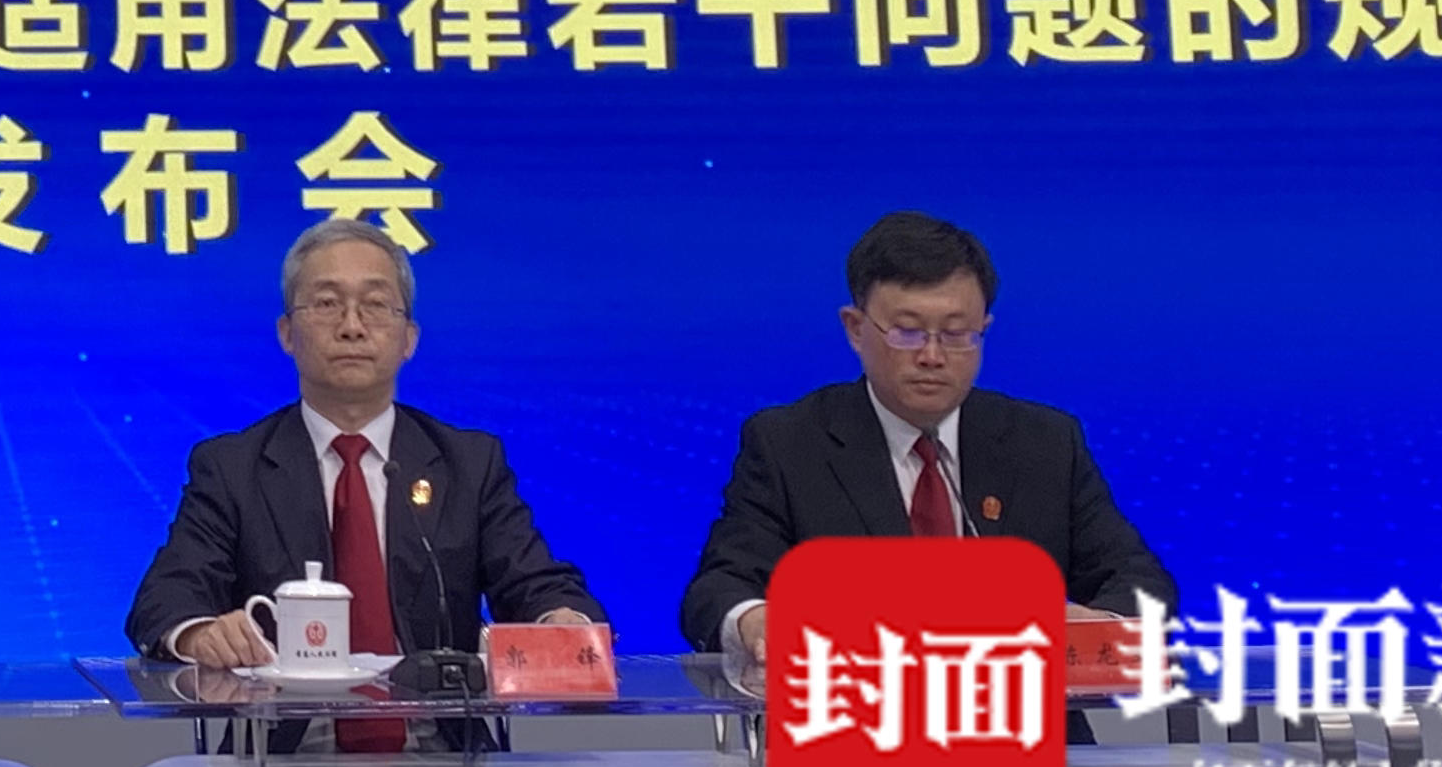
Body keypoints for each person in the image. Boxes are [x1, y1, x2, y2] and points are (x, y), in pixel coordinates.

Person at [681, 210, 1175, 677]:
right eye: (908, 332)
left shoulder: (1044, 443)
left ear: (984, 330)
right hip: (856, 723)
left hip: (1025, 724)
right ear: (855, 329)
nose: (933, 356)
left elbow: (1140, 582)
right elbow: (719, 588)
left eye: (957, 334)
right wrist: (755, 621)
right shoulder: (790, 444)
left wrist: (1097, 628)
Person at [124, 217, 604, 676]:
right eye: (327, 303)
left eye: (375, 305)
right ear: (287, 334)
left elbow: (536, 583)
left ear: (409, 339)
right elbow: (166, 598)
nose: (352, 326)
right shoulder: (232, 467)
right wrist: (199, 633)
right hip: (283, 726)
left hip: (437, 728)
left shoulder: (468, 464)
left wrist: (560, 620)